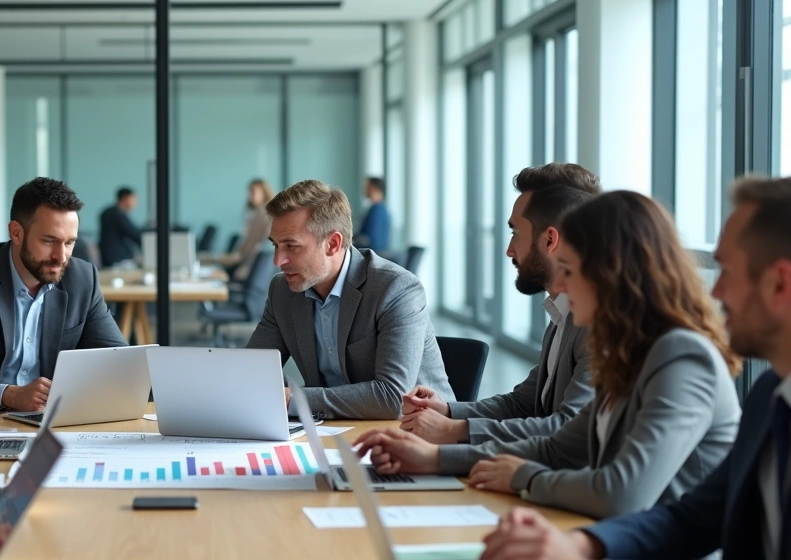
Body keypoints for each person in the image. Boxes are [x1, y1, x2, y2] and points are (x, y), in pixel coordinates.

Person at [475, 176, 791, 560]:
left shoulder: (684, 356)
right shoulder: (770, 396)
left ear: (780, 283)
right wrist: (580, 546)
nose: (716, 292)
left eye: (726, 271)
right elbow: (692, 519)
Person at [355, 191, 741, 520]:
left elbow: (621, 493)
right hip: (608, 544)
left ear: (614, 274)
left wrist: (524, 477)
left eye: (569, 271)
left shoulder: (680, 356)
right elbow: (558, 448)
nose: (557, 285)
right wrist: (432, 460)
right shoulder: (629, 351)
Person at [402, 163, 600, 445]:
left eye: (515, 233)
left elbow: (568, 429)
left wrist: (454, 433)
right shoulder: (562, 312)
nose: (509, 250)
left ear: (550, 240)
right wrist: (447, 411)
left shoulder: (597, 323)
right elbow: (523, 404)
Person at [246, 179, 453, 420]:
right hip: (331, 430)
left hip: (416, 434)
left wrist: (295, 399)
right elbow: (252, 371)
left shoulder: (396, 289)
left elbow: (392, 397)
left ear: (333, 244)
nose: (278, 260)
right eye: (276, 245)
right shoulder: (282, 290)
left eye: (292, 246)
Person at [0, 177, 127, 412]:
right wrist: (9, 395)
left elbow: (119, 363)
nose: (61, 256)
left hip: (49, 423)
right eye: (49, 241)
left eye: (70, 243)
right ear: (16, 233)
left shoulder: (82, 279)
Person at [231, 178, 274, 281]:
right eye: (249, 192)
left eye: (253, 192)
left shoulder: (267, 214)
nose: (250, 195)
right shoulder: (256, 213)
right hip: (247, 262)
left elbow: (263, 243)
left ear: (264, 192)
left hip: (252, 266)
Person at [98, 187, 140, 267]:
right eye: (133, 199)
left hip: (108, 257)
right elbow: (134, 233)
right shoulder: (118, 214)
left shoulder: (108, 212)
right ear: (125, 198)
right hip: (118, 259)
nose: (136, 202)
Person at [352, 177, 391, 254]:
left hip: (373, 255)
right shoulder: (381, 209)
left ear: (373, 188)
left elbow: (372, 240)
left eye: (367, 187)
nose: (364, 189)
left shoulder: (377, 211)